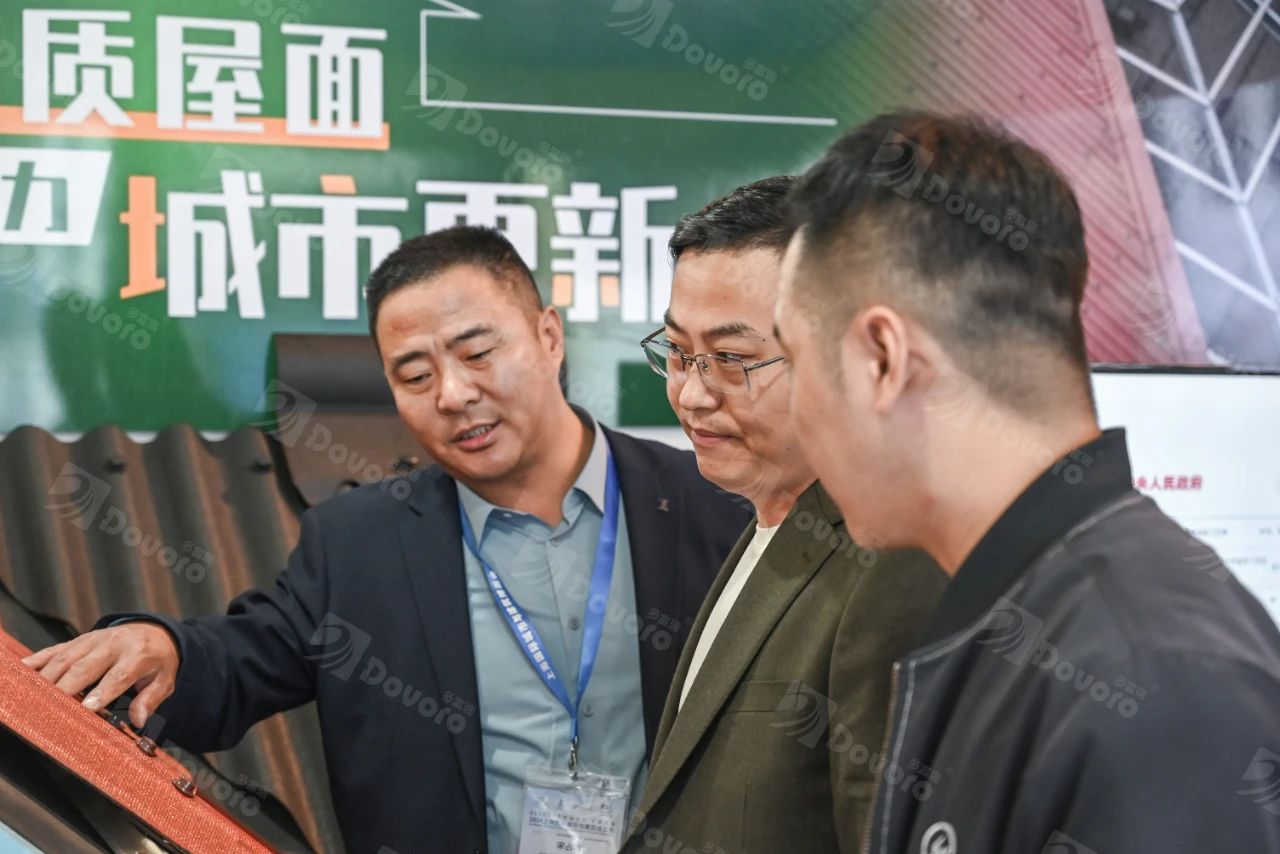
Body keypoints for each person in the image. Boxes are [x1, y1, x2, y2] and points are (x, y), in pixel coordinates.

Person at [23, 226, 750, 854]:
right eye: (415, 374)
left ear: (548, 338)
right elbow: (241, 659)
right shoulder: (358, 544)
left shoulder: (716, 510)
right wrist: (166, 648)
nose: (452, 395)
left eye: (477, 353)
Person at [774, 110, 1280, 853]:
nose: (793, 410)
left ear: (883, 359)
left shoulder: (1152, 679)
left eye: (792, 360)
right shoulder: (1017, 614)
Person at [622, 177, 946, 854]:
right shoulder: (768, 512)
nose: (691, 394)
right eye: (678, 352)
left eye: (731, 360)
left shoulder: (892, 561)